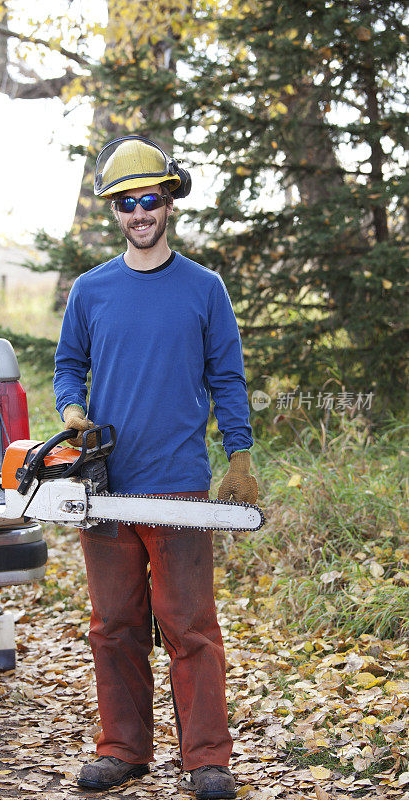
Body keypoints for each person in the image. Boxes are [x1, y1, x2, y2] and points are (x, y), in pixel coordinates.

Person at [53, 136, 258, 800]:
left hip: (177, 485)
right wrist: (71, 405)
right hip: (104, 485)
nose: (138, 213)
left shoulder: (203, 288)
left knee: (189, 625)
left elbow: (227, 377)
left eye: (149, 199)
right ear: (113, 211)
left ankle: (207, 760)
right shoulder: (90, 290)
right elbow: (67, 365)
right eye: (125, 204)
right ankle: (123, 751)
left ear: (168, 201)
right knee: (112, 625)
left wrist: (240, 453)